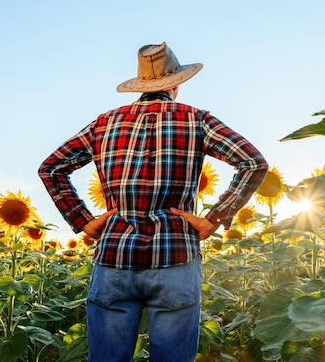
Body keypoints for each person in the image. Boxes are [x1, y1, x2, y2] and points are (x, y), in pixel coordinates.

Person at [38, 41, 268, 362]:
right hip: (176, 259)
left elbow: (51, 167)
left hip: (114, 259)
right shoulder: (197, 119)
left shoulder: (104, 123)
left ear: (140, 86)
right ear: (176, 84)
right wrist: (215, 217)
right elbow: (253, 162)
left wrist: (83, 220)